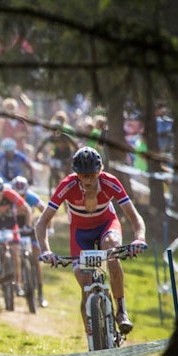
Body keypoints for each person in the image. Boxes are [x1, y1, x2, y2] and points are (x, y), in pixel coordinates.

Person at [35, 146, 148, 342]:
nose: (87, 180)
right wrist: (46, 250)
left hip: (106, 226)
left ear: (100, 170)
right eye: (82, 175)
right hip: (80, 235)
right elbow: (42, 221)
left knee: (112, 252)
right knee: (86, 286)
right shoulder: (67, 185)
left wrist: (139, 238)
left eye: (92, 175)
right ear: (76, 174)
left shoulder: (110, 182)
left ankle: (121, 311)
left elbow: (134, 217)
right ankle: (91, 344)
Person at [11, 175, 48, 307]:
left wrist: (49, 226)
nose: (20, 198)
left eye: (23, 195)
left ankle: (40, 293)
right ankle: (15, 283)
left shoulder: (31, 197)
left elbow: (44, 209)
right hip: (14, 228)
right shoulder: (9, 197)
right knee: (13, 254)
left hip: (29, 228)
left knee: (37, 258)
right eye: (17, 195)